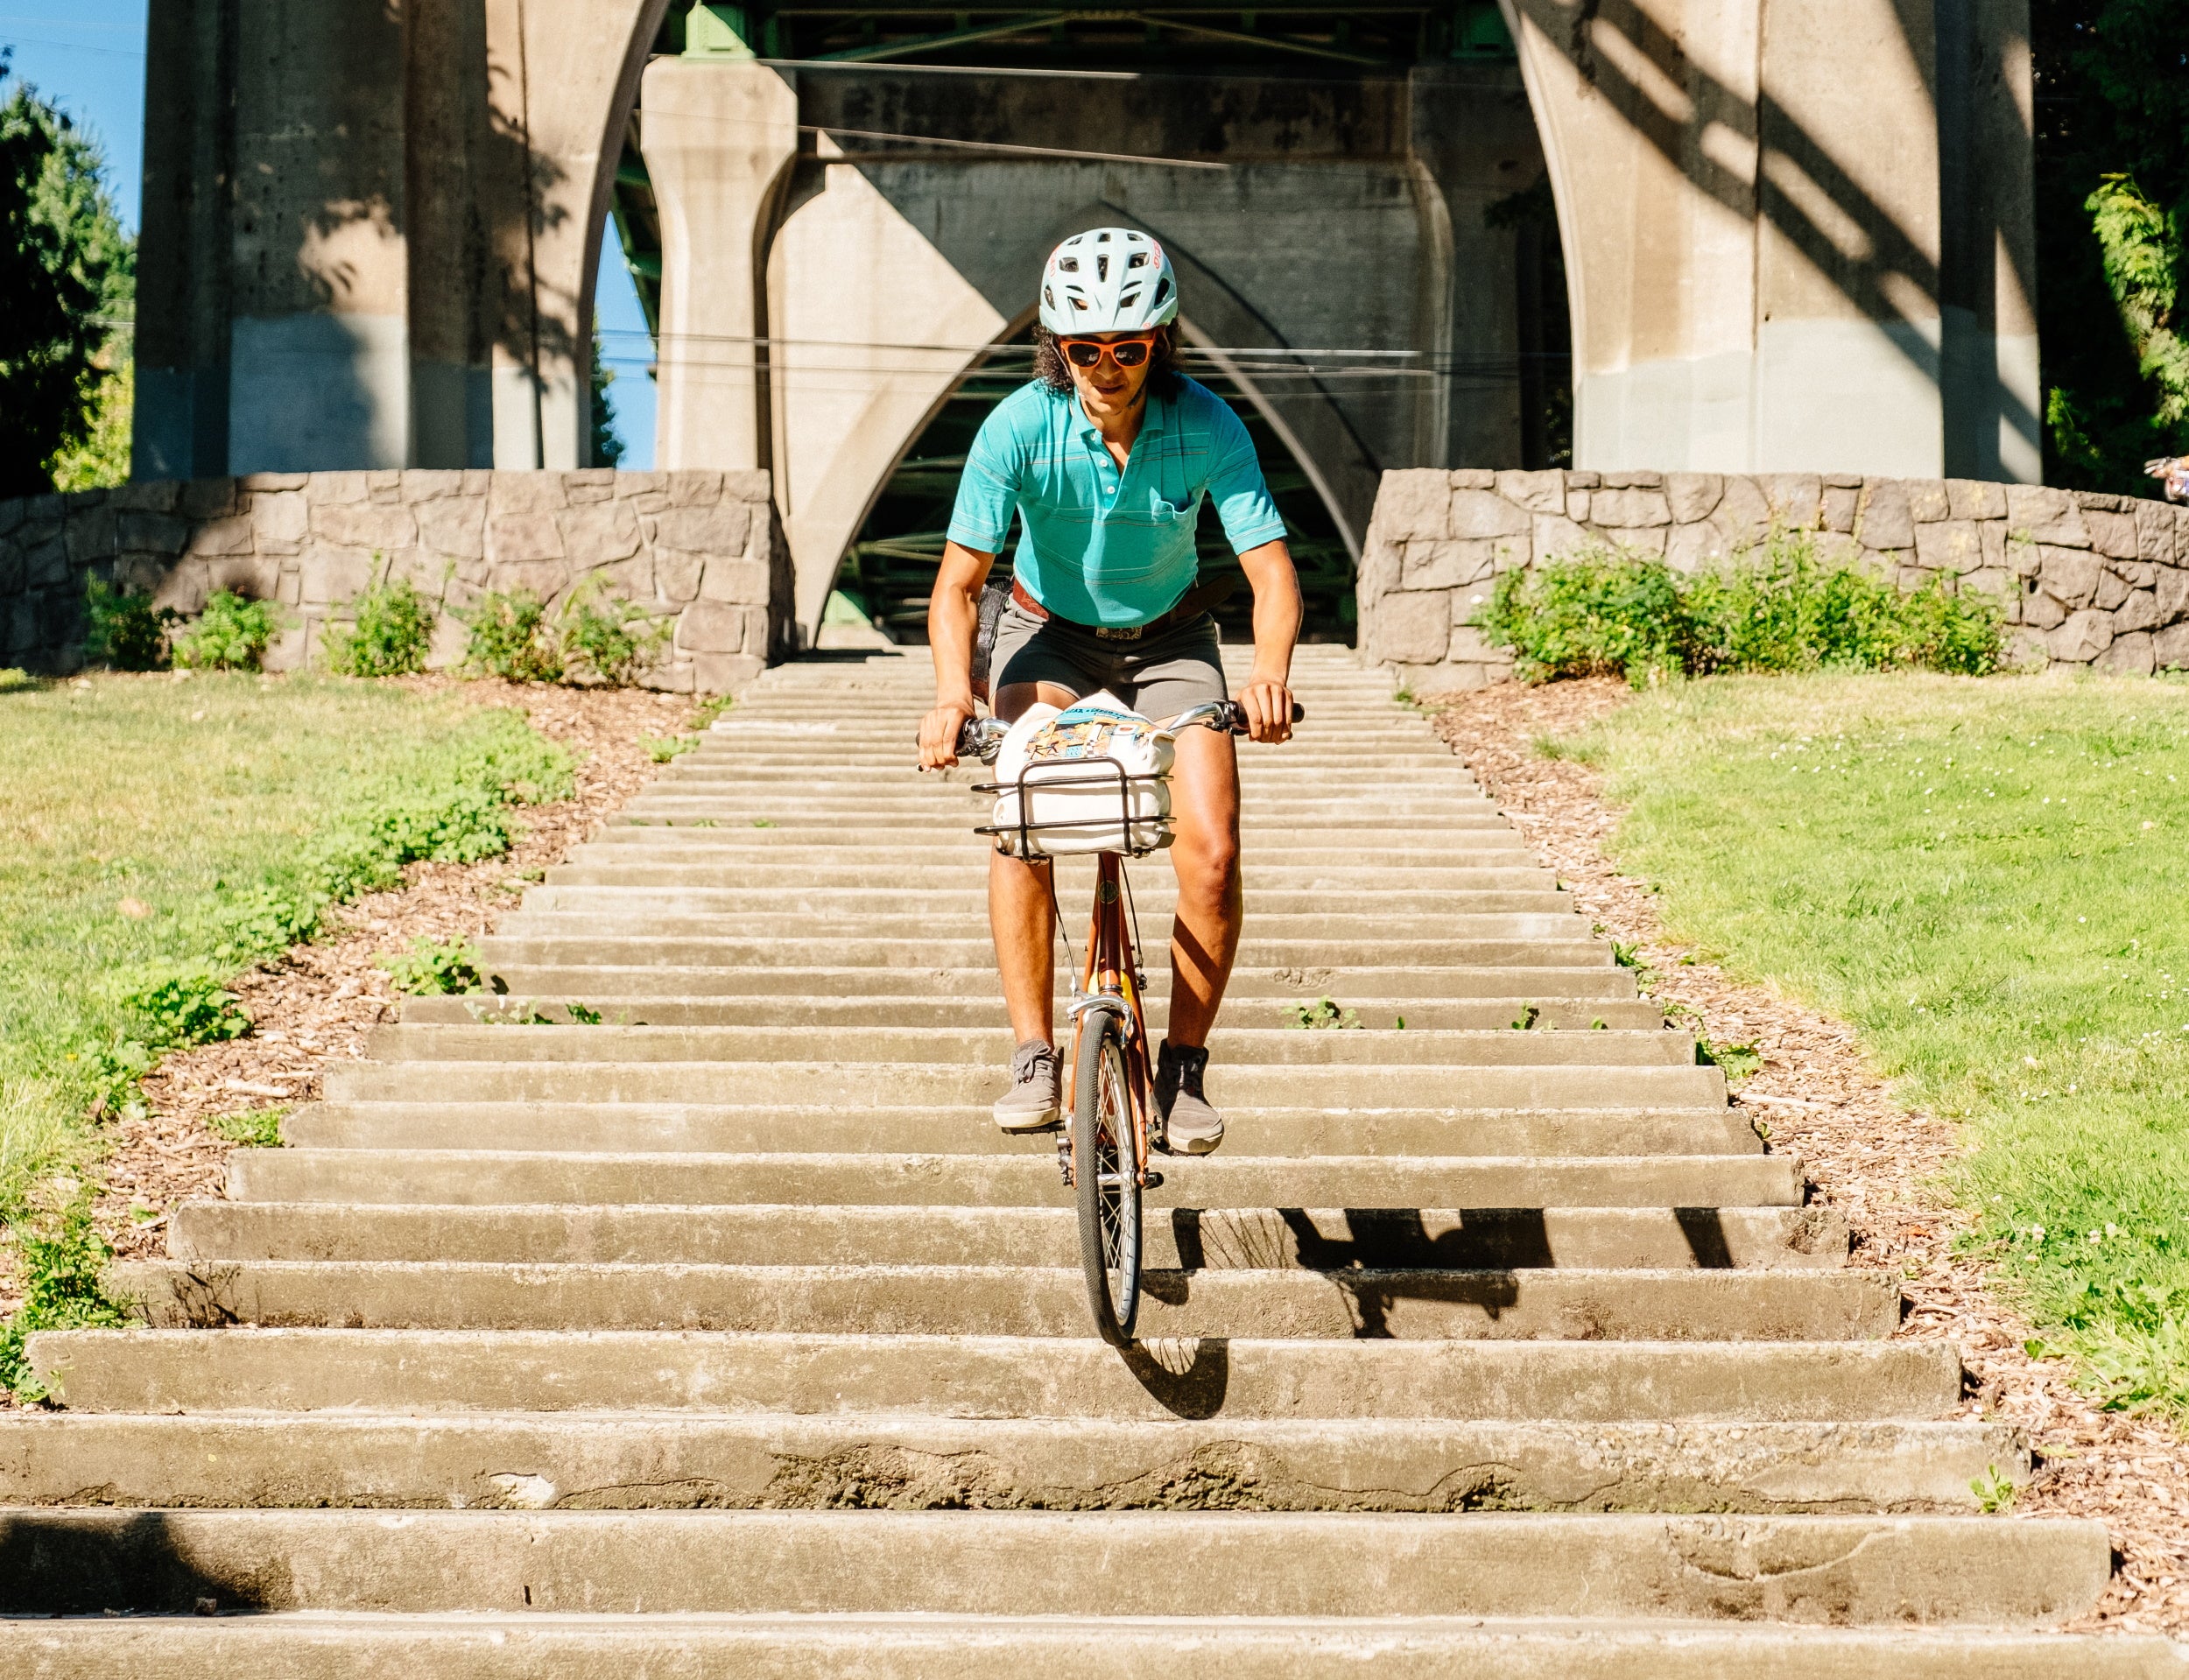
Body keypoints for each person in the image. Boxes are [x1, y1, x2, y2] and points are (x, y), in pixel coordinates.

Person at [917, 226, 1302, 1156]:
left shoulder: (1208, 424)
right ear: (1057, 346)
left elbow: (1272, 574)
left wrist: (1269, 674)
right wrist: (949, 694)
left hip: (1170, 641)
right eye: (1083, 348)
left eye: (1126, 348)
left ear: (1157, 343)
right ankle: (1035, 1054)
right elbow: (960, 583)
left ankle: (1182, 1070)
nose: (1105, 367)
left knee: (1210, 854)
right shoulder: (1015, 427)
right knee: (1023, 811)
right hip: (1046, 636)